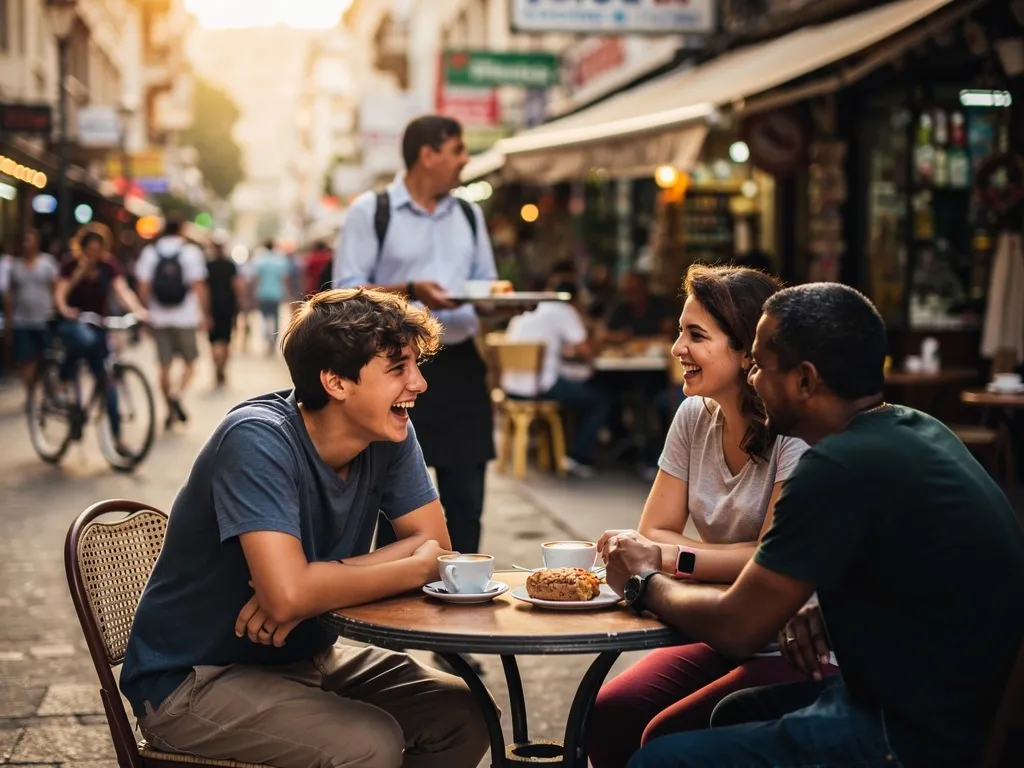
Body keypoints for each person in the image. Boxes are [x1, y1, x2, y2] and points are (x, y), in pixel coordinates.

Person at [602, 283, 1024, 768]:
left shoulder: (837, 465)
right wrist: (830, 614)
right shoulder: (915, 428)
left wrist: (645, 581)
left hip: (914, 729)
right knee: (728, 714)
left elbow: (738, 627)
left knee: (658, 760)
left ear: (805, 381)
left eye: (761, 366)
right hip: (931, 696)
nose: (754, 381)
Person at [120, 288, 489, 768]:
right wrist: (406, 568)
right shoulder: (257, 438)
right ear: (336, 382)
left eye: (416, 366)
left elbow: (438, 548)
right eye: (397, 369)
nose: (418, 384)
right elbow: (289, 596)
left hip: (302, 661)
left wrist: (314, 586)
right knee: (370, 743)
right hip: (194, 681)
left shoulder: (389, 430)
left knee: (466, 713)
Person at [587, 265, 822, 767]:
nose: (677, 349)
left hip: (794, 643)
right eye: (679, 332)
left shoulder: (793, 433)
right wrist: (673, 553)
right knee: (608, 715)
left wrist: (670, 557)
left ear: (746, 352)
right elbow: (654, 528)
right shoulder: (694, 414)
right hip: (720, 626)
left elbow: (766, 555)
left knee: (662, 738)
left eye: (695, 335)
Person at [335, 115, 497, 557]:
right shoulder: (372, 211)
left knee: (466, 500)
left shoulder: (468, 213)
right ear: (428, 154)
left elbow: (486, 282)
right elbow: (342, 294)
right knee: (395, 504)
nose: (465, 160)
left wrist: (503, 302)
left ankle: (465, 596)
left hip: (461, 362)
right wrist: (410, 291)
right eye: (458, 150)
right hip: (393, 369)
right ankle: (396, 610)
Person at [502, 271, 612, 477]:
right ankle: (577, 456)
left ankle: (559, 449)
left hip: (511, 386)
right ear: (574, 298)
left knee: (580, 389)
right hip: (539, 387)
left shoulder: (528, 308)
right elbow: (584, 349)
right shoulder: (563, 309)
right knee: (601, 399)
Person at [54, 231, 147, 454]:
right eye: (90, 250)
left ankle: (117, 439)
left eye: (98, 250)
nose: (94, 255)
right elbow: (60, 293)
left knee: (108, 382)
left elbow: (122, 289)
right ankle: (63, 378)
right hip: (73, 323)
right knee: (83, 341)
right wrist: (78, 276)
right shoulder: (70, 265)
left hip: (98, 326)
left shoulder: (108, 266)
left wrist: (137, 310)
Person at [135, 217, 210, 429]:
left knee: (164, 366)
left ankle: (169, 408)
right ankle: (177, 395)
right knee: (191, 363)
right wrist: (204, 314)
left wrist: (145, 311)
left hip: (158, 318)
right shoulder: (191, 253)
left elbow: (143, 286)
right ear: (182, 230)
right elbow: (199, 286)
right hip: (185, 317)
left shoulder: (150, 253)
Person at [2, 229, 58, 394]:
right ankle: (31, 392)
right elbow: (10, 295)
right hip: (22, 320)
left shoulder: (48, 263)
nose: (26, 244)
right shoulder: (15, 267)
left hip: (44, 319)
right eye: (24, 241)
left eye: (29, 240)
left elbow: (55, 288)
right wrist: (9, 321)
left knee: (46, 359)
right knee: (24, 360)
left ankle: (44, 389)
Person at [205, 236, 244, 387]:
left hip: (212, 307)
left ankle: (217, 367)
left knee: (213, 341)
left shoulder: (208, 265)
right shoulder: (230, 265)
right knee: (226, 340)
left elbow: (205, 289)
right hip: (228, 306)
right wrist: (240, 302)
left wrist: (204, 310)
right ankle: (223, 368)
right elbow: (237, 285)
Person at [599, 271, 677, 344]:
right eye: (627, 292)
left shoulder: (662, 304)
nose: (631, 296)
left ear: (645, 288)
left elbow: (669, 335)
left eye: (635, 290)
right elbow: (603, 335)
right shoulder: (620, 308)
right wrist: (618, 336)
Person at [250, 239, 292, 353]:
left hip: (263, 293)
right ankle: (273, 341)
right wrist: (287, 293)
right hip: (276, 293)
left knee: (264, 317)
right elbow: (285, 278)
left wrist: (253, 293)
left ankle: (266, 339)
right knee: (275, 317)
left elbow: (256, 278)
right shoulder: (279, 261)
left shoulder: (260, 260)